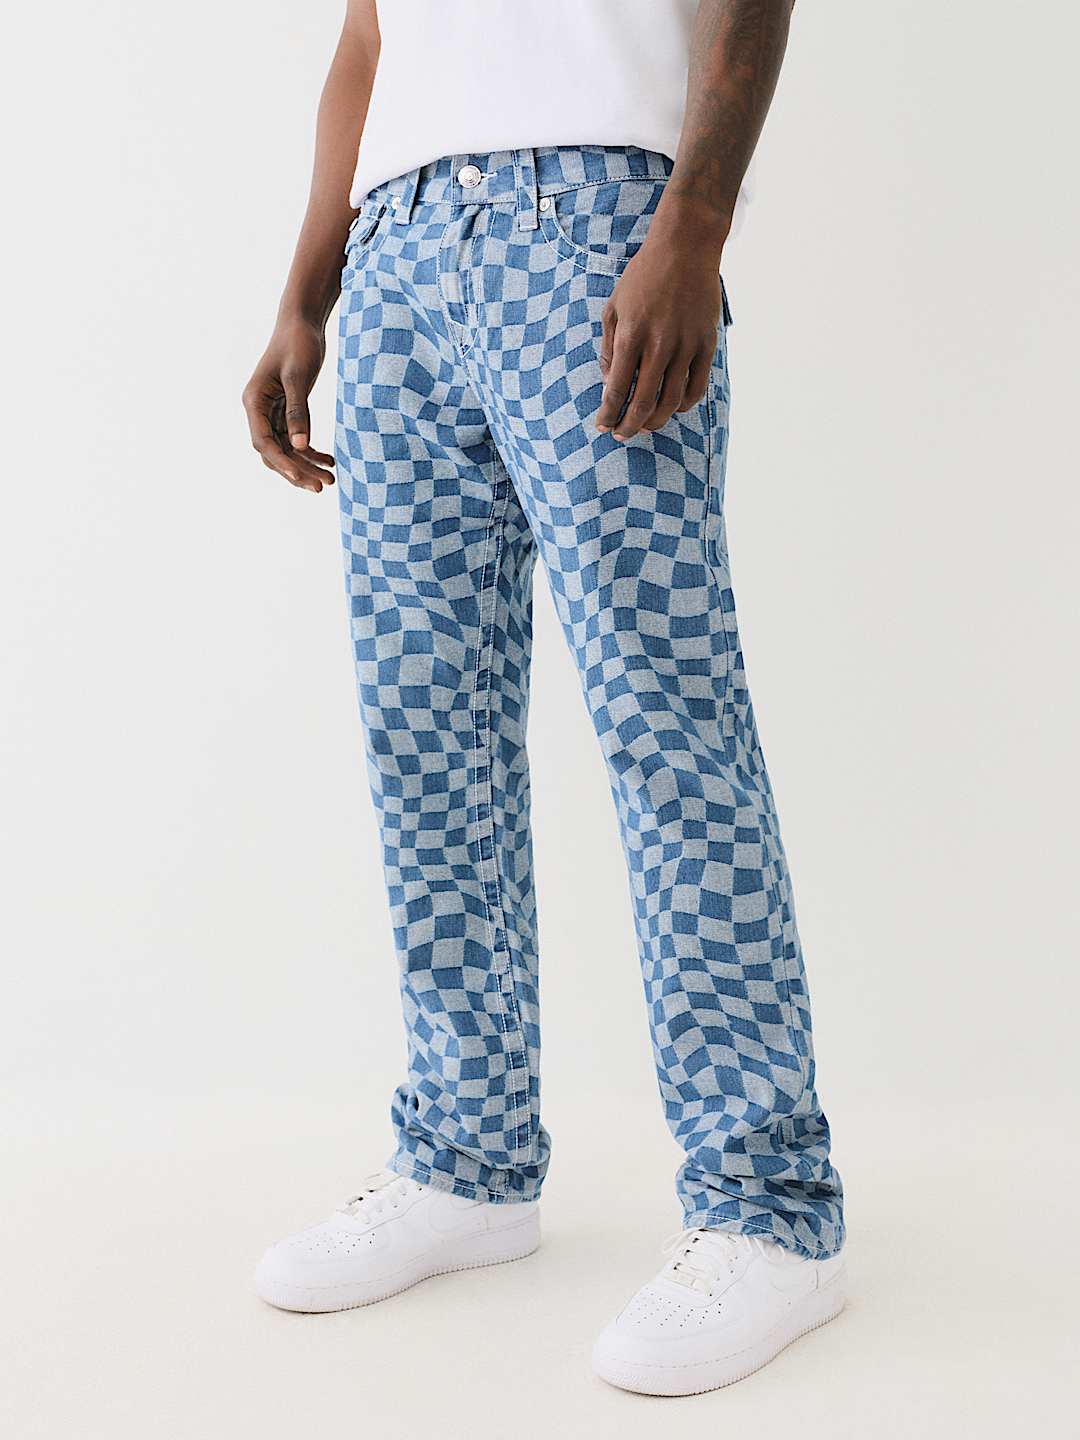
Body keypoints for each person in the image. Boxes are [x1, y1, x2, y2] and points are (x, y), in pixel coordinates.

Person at [243, 0, 844, 1396]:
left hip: (589, 224)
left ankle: (769, 1208)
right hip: (396, 254)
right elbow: (370, 36)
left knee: (664, 720)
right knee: (426, 732)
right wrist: (307, 294)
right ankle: (466, 1160)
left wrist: (694, 226)